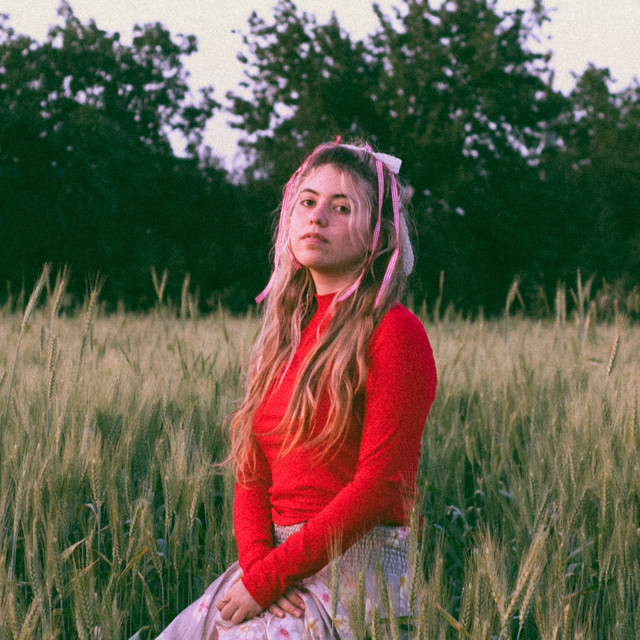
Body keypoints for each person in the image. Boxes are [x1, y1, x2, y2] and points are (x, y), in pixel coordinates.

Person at [151, 139, 437, 639]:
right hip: (274, 569)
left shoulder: (394, 332)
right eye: (307, 202)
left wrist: (270, 579)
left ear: (381, 234)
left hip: (353, 574)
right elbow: (251, 471)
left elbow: (379, 486)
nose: (317, 217)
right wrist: (259, 569)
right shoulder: (284, 337)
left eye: (341, 207)